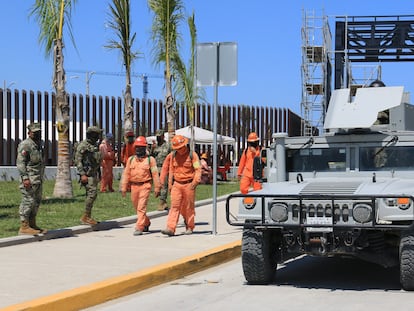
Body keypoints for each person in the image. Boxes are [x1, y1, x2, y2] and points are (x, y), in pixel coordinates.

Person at [160, 135, 201, 236]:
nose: (180, 150)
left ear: (185, 145)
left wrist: (195, 182)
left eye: (181, 147)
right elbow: (166, 168)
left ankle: (189, 226)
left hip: (189, 184)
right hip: (176, 185)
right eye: (177, 148)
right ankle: (170, 228)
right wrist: (163, 182)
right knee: (174, 206)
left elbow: (198, 169)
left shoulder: (192, 155)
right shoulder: (172, 155)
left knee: (188, 207)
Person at [121, 136, 161, 236]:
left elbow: (155, 174)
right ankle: (146, 222)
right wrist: (124, 187)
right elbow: (126, 174)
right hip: (134, 186)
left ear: (145, 148)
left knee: (141, 207)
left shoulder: (150, 160)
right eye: (137, 147)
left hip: (145, 185)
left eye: (141, 147)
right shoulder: (131, 160)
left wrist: (157, 187)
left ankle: (139, 227)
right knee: (136, 207)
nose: (139, 149)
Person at [16, 122, 47, 235]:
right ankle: (24, 226)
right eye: (35, 133)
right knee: (28, 201)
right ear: (29, 133)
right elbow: (20, 163)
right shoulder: (25, 145)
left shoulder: (38, 145)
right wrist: (25, 178)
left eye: (39, 132)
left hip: (38, 179)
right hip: (29, 179)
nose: (38, 134)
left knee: (36, 202)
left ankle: (32, 224)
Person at [75, 125, 103, 225]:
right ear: (91, 135)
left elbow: (96, 161)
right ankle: (85, 217)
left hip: (93, 173)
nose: (98, 137)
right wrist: (82, 174)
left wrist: (99, 173)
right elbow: (78, 161)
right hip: (87, 175)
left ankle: (88, 216)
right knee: (92, 194)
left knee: (92, 195)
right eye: (96, 135)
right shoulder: (83, 146)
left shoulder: (94, 146)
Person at [150, 129, 171, 211]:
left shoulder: (168, 146)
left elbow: (171, 157)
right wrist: (152, 149)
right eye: (157, 137)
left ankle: (162, 202)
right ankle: (164, 202)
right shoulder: (155, 146)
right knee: (157, 186)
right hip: (155, 168)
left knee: (163, 185)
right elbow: (151, 156)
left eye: (160, 136)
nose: (158, 138)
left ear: (163, 136)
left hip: (164, 168)